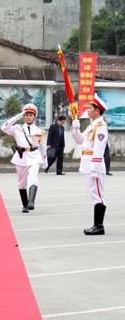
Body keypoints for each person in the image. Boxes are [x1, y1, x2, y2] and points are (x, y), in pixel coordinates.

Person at [71, 94, 108, 235]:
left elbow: (99, 148)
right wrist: (75, 128)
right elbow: (81, 141)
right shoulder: (92, 126)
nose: (88, 110)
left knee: (98, 194)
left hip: (94, 164)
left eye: (91, 108)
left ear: (97, 111)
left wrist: (95, 168)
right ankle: (97, 224)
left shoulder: (101, 126)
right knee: (94, 193)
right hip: (87, 162)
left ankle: (99, 226)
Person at [1, 103, 47, 213]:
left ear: (34, 116)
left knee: (33, 178)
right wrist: (18, 116)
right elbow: (4, 127)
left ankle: (31, 201)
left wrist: (45, 162)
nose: (28, 117)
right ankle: (25, 204)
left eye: (31, 115)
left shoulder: (39, 131)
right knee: (21, 183)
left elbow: (42, 147)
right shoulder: (17, 128)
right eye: (26, 115)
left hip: (34, 156)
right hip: (21, 157)